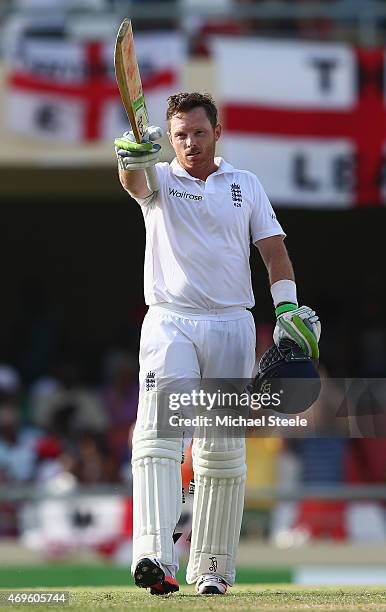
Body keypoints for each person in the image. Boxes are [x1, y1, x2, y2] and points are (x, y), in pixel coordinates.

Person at [114, 92, 320, 596]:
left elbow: (273, 253)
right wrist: (131, 159)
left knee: (221, 452)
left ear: (217, 132)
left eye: (198, 133)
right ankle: (153, 554)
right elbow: (134, 182)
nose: (189, 144)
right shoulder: (159, 178)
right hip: (170, 320)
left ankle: (212, 569)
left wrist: (287, 308)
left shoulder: (244, 184)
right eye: (180, 135)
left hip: (233, 322)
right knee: (158, 433)